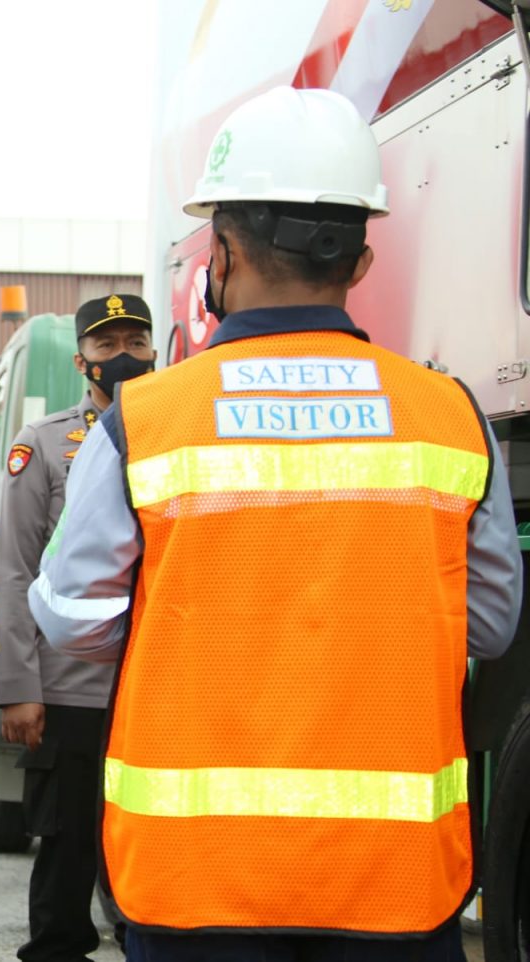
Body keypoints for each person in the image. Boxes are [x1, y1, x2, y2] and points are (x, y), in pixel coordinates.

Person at [28, 86, 524, 962]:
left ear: (218, 254)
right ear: (360, 260)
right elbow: (485, 624)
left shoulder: (143, 421)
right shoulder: (451, 418)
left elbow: (73, 618)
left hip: (196, 880)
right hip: (394, 883)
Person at [0, 293, 155, 962]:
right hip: (71, 689)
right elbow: (15, 570)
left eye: (135, 342)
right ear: (81, 359)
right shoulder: (44, 443)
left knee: (148, 842)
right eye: (106, 344)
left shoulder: (179, 431)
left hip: (154, 684)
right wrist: (18, 687)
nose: (123, 356)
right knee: (67, 846)